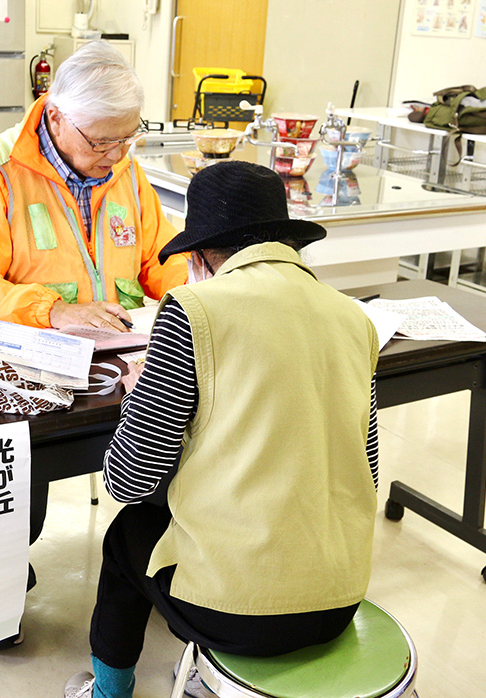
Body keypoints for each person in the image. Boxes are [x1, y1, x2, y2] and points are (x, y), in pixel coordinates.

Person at [64, 161, 381, 698]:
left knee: (126, 536)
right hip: (339, 600)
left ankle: (108, 691)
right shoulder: (354, 317)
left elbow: (129, 482)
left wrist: (148, 393)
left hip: (237, 612)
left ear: (201, 255)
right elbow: (364, 463)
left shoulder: (194, 308)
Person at [0, 41, 188, 651]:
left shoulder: (123, 166)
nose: (113, 156)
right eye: (99, 142)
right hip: (30, 356)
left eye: (126, 140)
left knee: (169, 445)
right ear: (54, 114)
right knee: (18, 474)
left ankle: (149, 570)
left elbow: (161, 255)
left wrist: (202, 295)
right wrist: (53, 311)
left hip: (122, 356)